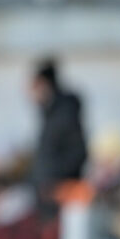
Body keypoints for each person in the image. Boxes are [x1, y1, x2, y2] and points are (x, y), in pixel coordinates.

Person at [29, 58, 88, 203]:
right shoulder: (50, 114)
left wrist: (53, 181)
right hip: (47, 191)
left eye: (35, 87)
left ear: (45, 85)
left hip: (60, 193)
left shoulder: (64, 114)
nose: (31, 93)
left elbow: (78, 153)